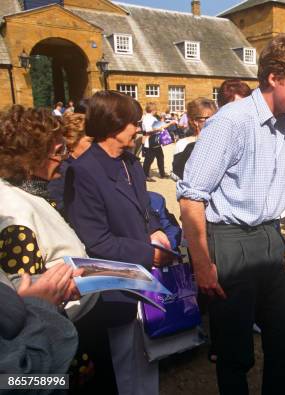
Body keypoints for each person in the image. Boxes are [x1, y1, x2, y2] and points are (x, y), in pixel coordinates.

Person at [177, 34, 285, 394]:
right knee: (235, 352)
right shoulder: (231, 122)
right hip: (229, 242)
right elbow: (191, 198)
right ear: (275, 77)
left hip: (269, 240)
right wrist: (201, 264)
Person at [65, 90, 174, 395]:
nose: (138, 128)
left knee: (148, 355)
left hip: (143, 275)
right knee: (123, 364)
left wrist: (155, 230)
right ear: (114, 125)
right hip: (114, 282)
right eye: (133, 123)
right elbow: (95, 240)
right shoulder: (83, 171)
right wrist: (148, 254)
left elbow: (144, 209)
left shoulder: (129, 160)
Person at [0, 105, 102, 388]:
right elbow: (30, 301)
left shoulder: (26, 193)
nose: (64, 158)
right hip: (60, 343)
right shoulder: (14, 213)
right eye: (58, 151)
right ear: (29, 158)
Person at [48, 100, 93, 212]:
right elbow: (59, 206)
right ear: (72, 141)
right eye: (91, 141)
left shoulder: (85, 165)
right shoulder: (63, 171)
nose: (95, 147)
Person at [172, 98, 218, 180]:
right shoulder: (183, 144)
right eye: (208, 118)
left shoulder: (222, 141)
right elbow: (178, 175)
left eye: (216, 117)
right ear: (195, 121)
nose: (214, 122)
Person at [141, 103, 167, 182]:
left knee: (160, 157)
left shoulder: (150, 118)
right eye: (156, 109)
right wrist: (160, 128)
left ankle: (162, 173)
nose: (156, 111)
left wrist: (161, 123)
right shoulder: (149, 118)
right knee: (149, 159)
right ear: (153, 110)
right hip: (151, 140)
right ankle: (145, 175)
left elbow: (160, 126)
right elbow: (149, 130)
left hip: (154, 140)